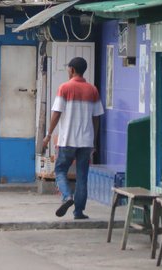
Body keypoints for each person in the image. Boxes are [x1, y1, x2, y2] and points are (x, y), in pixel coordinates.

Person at [42, 57, 104, 220]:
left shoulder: (65, 88)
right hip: (86, 142)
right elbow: (96, 118)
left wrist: (48, 135)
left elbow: (57, 113)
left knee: (60, 170)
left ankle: (66, 197)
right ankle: (79, 212)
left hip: (67, 140)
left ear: (71, 70)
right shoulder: (93, 90)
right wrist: (94, 141)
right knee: (82, 176)